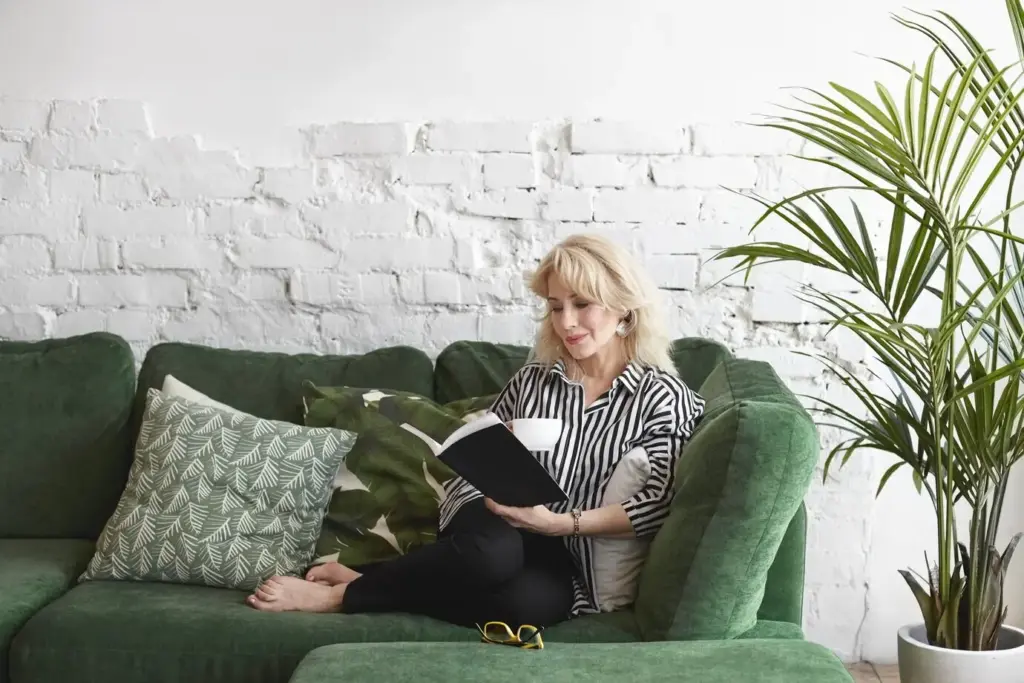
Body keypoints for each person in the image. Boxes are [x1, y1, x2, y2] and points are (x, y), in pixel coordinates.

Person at [246, 233, 706, 629]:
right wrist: (497, 458)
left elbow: (655, 506)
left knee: (525, 609)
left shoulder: (663, 396)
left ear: (624, 308)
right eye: (555, 307)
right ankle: (340, 598)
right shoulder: (534, 379)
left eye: (582, 304)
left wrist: (560, 524)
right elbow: (482, 449)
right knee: (493, 554)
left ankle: (371, 579)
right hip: (490, 515)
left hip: (565, 546)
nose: (566, 322)